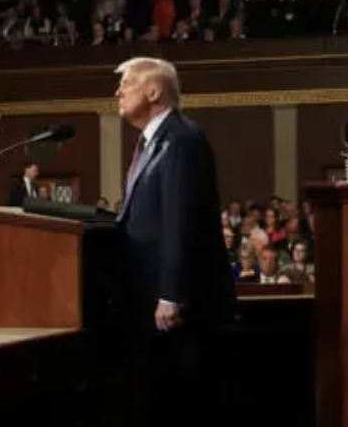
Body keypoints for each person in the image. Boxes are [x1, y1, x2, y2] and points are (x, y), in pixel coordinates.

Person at [113, 57, 235, 427]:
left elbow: (180, 221)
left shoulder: (181, 140)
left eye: (127, 83)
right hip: (149, 297)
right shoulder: (154, 142)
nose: (118, 92)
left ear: (153, 91)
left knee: (179, 401)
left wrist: (171, 294)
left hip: (175, 305)